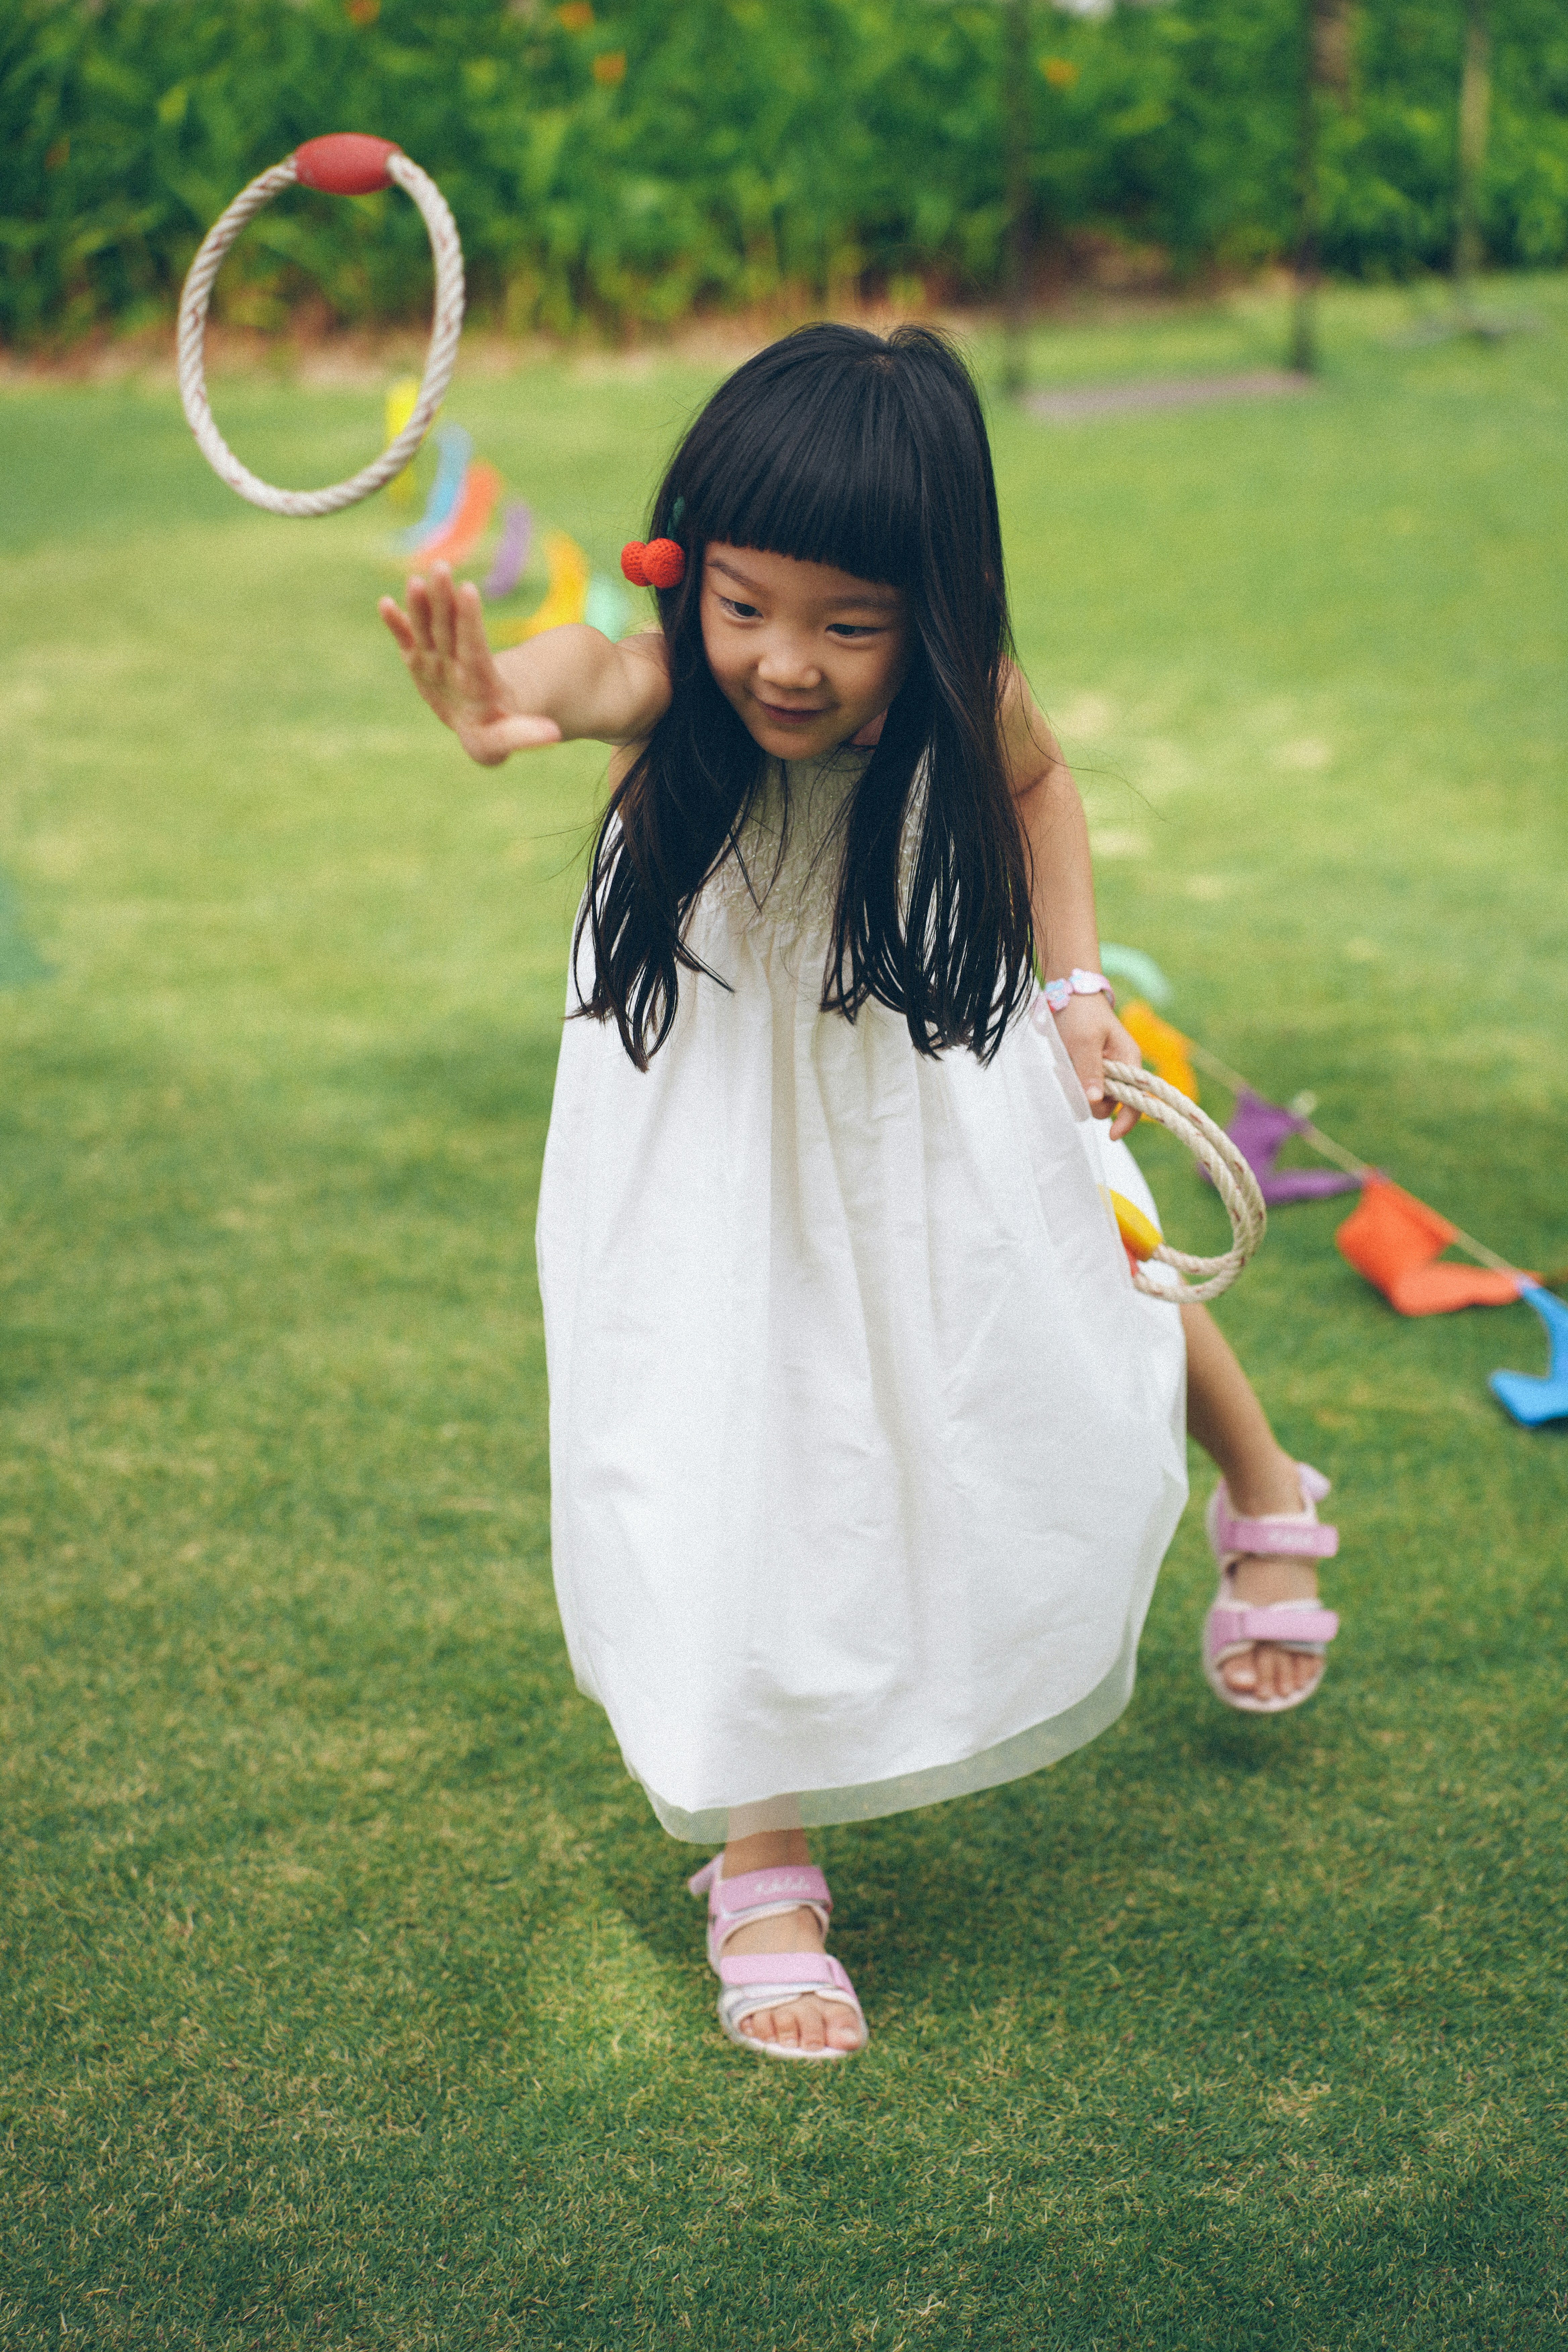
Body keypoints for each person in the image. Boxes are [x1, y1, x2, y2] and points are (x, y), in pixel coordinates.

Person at [379, 325, 1340, 2063]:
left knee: (1074, 1278)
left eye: (848, 623)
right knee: (728, 1416)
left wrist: (1076, 991)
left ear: (936, 605)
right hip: (715, 1115)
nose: (787, 664)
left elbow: (1038, 785)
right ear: (697, 576)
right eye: (745, 605)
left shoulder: (966, 699)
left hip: (918, 1049)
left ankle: (1263, 1483)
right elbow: (589, 669)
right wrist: (506, 696)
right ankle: (765, 1860)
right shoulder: (679, 672)